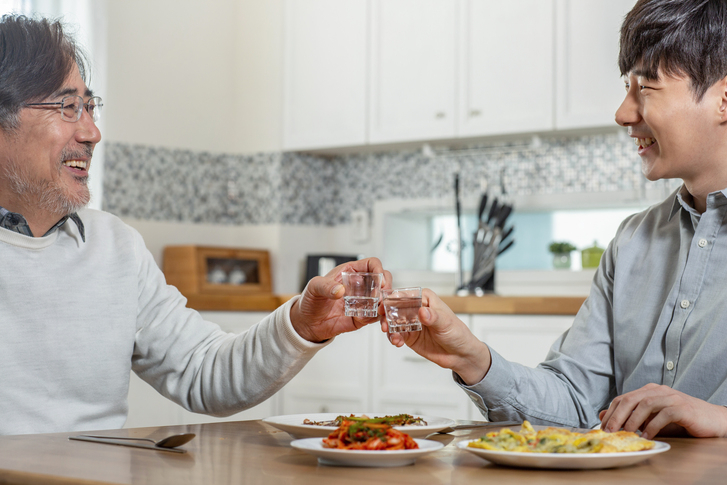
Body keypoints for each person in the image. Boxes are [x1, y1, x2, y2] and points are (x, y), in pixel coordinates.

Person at [0, 14, 391, 436]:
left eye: (90, 107)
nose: (92, 132)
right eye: (68, 107)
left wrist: (302, 324)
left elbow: (205, 371)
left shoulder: (116, 247)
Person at [385, 0, 727, 441]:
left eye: (647, 88)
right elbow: (572, 402)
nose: (623, 113)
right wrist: (471, 359)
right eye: (628, 87)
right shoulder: (633, 241)